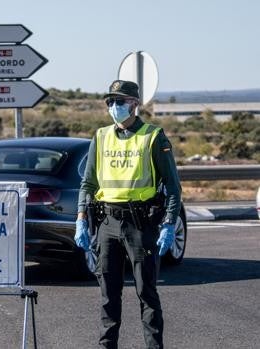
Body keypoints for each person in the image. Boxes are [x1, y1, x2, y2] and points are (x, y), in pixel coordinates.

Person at [75, 80, 182, 348]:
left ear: (135, 104)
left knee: (146, 293)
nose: (114, 106)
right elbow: (88, 183)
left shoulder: (153, 136)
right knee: (108, 296)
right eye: (110, 102)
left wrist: (169, 223)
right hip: (107, 223)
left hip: (140, 223)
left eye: (120, 101)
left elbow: (172, 185)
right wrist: (80, 220)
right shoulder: (100, 137)